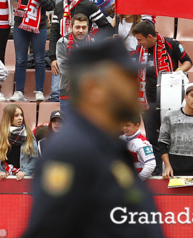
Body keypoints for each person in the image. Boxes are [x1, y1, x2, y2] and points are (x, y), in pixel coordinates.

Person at [22, 39, 163, 238]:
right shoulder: (71, 151)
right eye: (125, 78)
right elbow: (47, 229)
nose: (136, 85)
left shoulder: (107, 144)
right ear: (92, 88)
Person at [133, 20, 192, 175]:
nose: (138, 43)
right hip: (148, 102)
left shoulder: (170, 44)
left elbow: (188, 62)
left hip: (169, 100)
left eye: (140, 39)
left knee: (171, 137)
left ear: (150, 37)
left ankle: (174, 170)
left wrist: (178, 71)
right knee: (152, 137)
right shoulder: (139, 50)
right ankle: (157, 172)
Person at [48, 0, 114, 102]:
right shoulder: (59, 7)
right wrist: (53, 57)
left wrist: (91, 41)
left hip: (83, 57)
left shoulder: (88, 5)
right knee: (56, 94)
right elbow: (54, 32)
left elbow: (107, 28)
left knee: (82, 95)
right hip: (62, 56)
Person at [9, 0, 55, 101]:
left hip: (39, 26)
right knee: (20, 60)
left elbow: (51, 4)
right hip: (20, 24)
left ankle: (39, 91)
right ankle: (19, 92)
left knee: (40, 59)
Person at [159, 82, 193, 179]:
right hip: (172, 170)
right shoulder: (170, 115)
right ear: (185, 97)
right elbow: (162, 143)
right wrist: (167, 166)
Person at [0, 104, 38, 179]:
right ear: (9, 117)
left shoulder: (28, 134)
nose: (20, 118)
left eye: (21, 115)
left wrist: (25, 172)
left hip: (23, 177)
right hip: (5, 178)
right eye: (16, 115)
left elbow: (35, 158)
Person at [56, 14, 93, 111]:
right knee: (67, 124)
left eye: (84, 27)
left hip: (88, 93)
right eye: (77, 27)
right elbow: (64, 68)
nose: (81, 30)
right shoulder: (62, 42)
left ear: (88, 28)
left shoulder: (93, 43)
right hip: (67, 91)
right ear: (71, 27)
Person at [120, 113, 156, 181]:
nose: (124, 128)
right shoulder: (121, 138)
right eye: (123, 125)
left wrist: (138, 181)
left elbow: (151, 164)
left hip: (138, 181)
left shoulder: (142, 143)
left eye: (128, 125)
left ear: (137, 126)